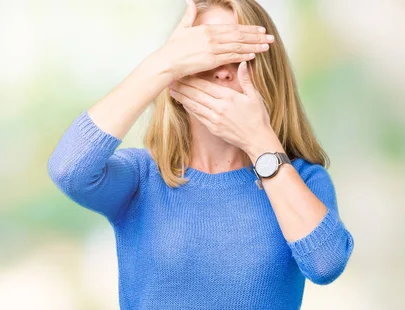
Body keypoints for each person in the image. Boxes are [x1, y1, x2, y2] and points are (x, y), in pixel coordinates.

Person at [47, 0, 354, 309]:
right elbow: (69, 169)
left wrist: (260, 142)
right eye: (208, 54)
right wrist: (161, 65)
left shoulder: (301, 179)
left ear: (267, 74)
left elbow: (325, 264)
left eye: (240, 54)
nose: (223, 71)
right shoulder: (142, 178)